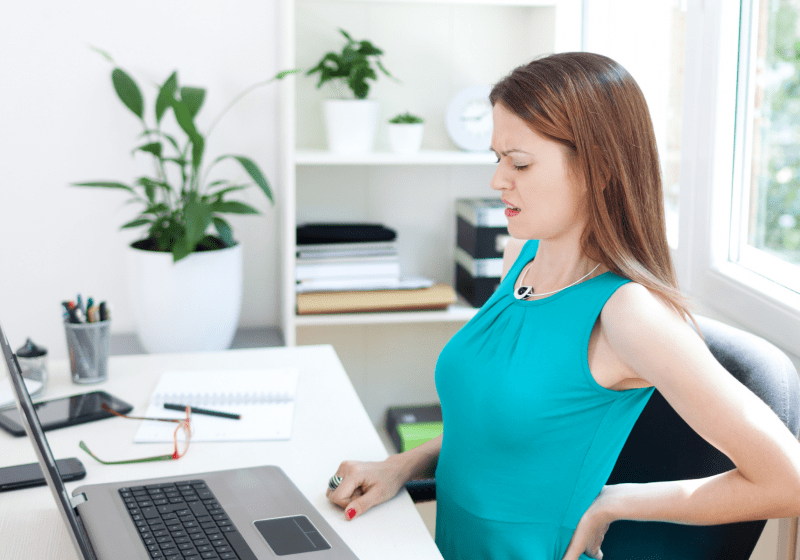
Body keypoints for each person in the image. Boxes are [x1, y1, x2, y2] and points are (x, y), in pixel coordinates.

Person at [325, 52, 800, 560]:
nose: (498, 180)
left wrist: (615, 502)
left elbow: (788, 481)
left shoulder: (628, 314)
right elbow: (499, 426)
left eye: (521, 162)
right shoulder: (520, 259)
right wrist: (402, 465)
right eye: (497, 157)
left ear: (597, 168)